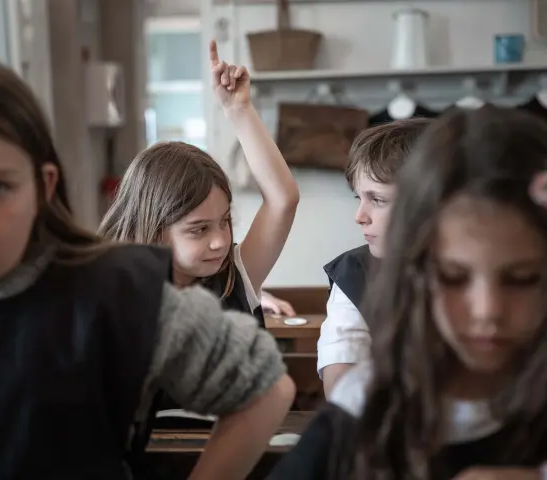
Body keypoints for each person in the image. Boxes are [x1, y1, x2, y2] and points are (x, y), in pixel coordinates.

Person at [0, 54, 296, 479]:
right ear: (155, 229)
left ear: (43, 186)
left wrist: (239, 110)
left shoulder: (118, 294)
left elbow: (266, 390)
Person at [268, 106, 547, 479]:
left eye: (522, 279)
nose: (487, 310)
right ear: (414, 271)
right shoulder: (367, 404)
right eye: (453, 277)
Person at [99, 41, 299, 327]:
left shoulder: (232, 282)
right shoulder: (113, 300)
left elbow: (283, 200)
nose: (220, 242)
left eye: (225, 221)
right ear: (154, 232)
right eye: (199, 229)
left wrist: (238, 109)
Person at [318, 118, 431, 395]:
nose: (360, 217)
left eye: (377, 200)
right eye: (359, 199)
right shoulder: (354, 273)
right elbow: (341, 387)